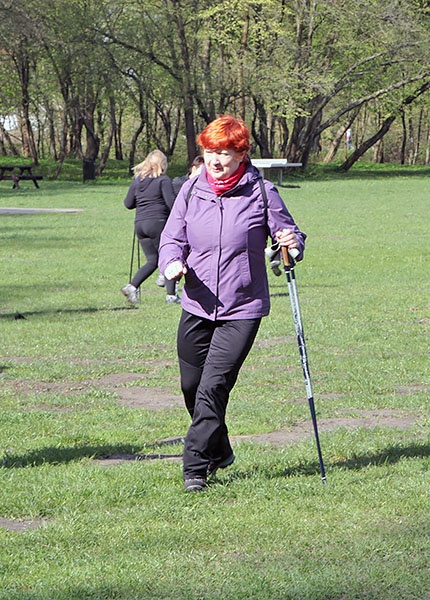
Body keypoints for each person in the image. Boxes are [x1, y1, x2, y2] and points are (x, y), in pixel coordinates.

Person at [158, 115, 306, 493]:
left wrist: (291, 243)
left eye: (224, 153)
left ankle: (195, 467)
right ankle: (220, 449)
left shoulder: (261, 191)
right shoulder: (191, 191)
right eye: (209, 152)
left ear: (242, 154)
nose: (216, 160)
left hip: (242, 308)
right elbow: (171, 238)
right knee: (191, 385)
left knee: (213, 387)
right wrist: (172, 261)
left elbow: (289, 233)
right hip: (197, 303)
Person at [122, 150, 178, 304]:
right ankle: (171, 295)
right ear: (162, 164)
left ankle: (132, 287)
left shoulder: (137, 181)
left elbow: (128, 204)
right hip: (158, 223)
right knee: (169, 257)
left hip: (140, 224)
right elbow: (172, 204)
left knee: (153, 261)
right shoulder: (163, 180)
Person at [154, 155, 207, 297]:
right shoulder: (180, 183)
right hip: (171, 222)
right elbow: (170, 202)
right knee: (168, 251)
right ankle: (169, 287)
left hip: (194, 224)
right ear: (194, 168)